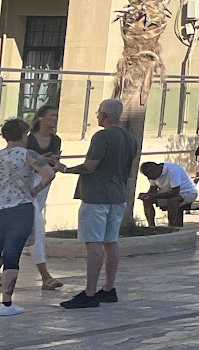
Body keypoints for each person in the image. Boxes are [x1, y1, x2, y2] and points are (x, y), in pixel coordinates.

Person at [57, 97, 140, 310]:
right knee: (110, 242)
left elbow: (90, 166)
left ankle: (90, 292)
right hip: (117, 196)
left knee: (93, 244)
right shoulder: (130, 138)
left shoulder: (102, 136)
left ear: (103, 115)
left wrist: (65, 169)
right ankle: (108, 288)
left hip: (96, 197)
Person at [0, 119, 59, 317]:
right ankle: (6, 303)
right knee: (12, 254)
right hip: (20, 208)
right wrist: (34, 190)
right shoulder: (28, 154)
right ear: (24, 134)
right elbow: (48, 173)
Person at [24, 106, 62, 291]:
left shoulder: (56, 140)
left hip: (44, 185)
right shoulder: (29, 139)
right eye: (51, 116)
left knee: (26, 227)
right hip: (30, 185)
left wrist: (53, 162)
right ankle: (45, 276)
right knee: (36, 227)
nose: (54, 119)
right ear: (40, 118)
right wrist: (40, 159)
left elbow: (54, 163)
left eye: (56, 116)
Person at [139, 160, 199, 228]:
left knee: (172, 201)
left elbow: (175, 192)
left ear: (155, 170)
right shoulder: (153, 175)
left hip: (188, 192)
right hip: (168, 193)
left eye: (149, 176)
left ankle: (172, 226)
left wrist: (153, 196)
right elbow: (153, 189)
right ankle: (151, 226)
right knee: (147, 200)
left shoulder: (173, 170)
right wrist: (146, 195)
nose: (149, 178)